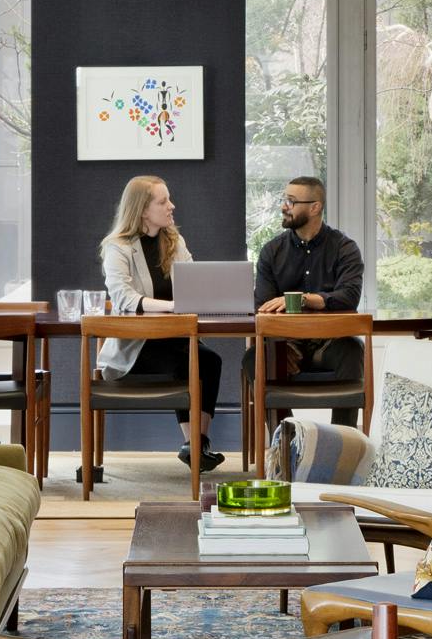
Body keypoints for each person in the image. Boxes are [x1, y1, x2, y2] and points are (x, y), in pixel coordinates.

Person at [98, 174, 226, 472]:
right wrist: (173, 306)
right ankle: (195, 444)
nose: (172, 206)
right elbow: (123, 298)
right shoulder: (117, 247)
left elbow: (194, 285)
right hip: (136, 349)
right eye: (163, 201)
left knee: (208, 360)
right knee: (192, 361)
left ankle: (196, 444)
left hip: (176, 341)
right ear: (143, 209)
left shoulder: (174, 241)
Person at [253, 175, 366, 381]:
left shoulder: (345, 248)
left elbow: (349, 297)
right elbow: (263, 305)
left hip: (331, 341)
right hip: (285, 344)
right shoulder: (271, 251)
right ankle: (282, 415)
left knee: (353, 350)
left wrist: (303, 299)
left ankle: (342, 416)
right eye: (284, 200)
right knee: (254, 359)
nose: (284, 207)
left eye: (291, 201)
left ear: (315, 208)